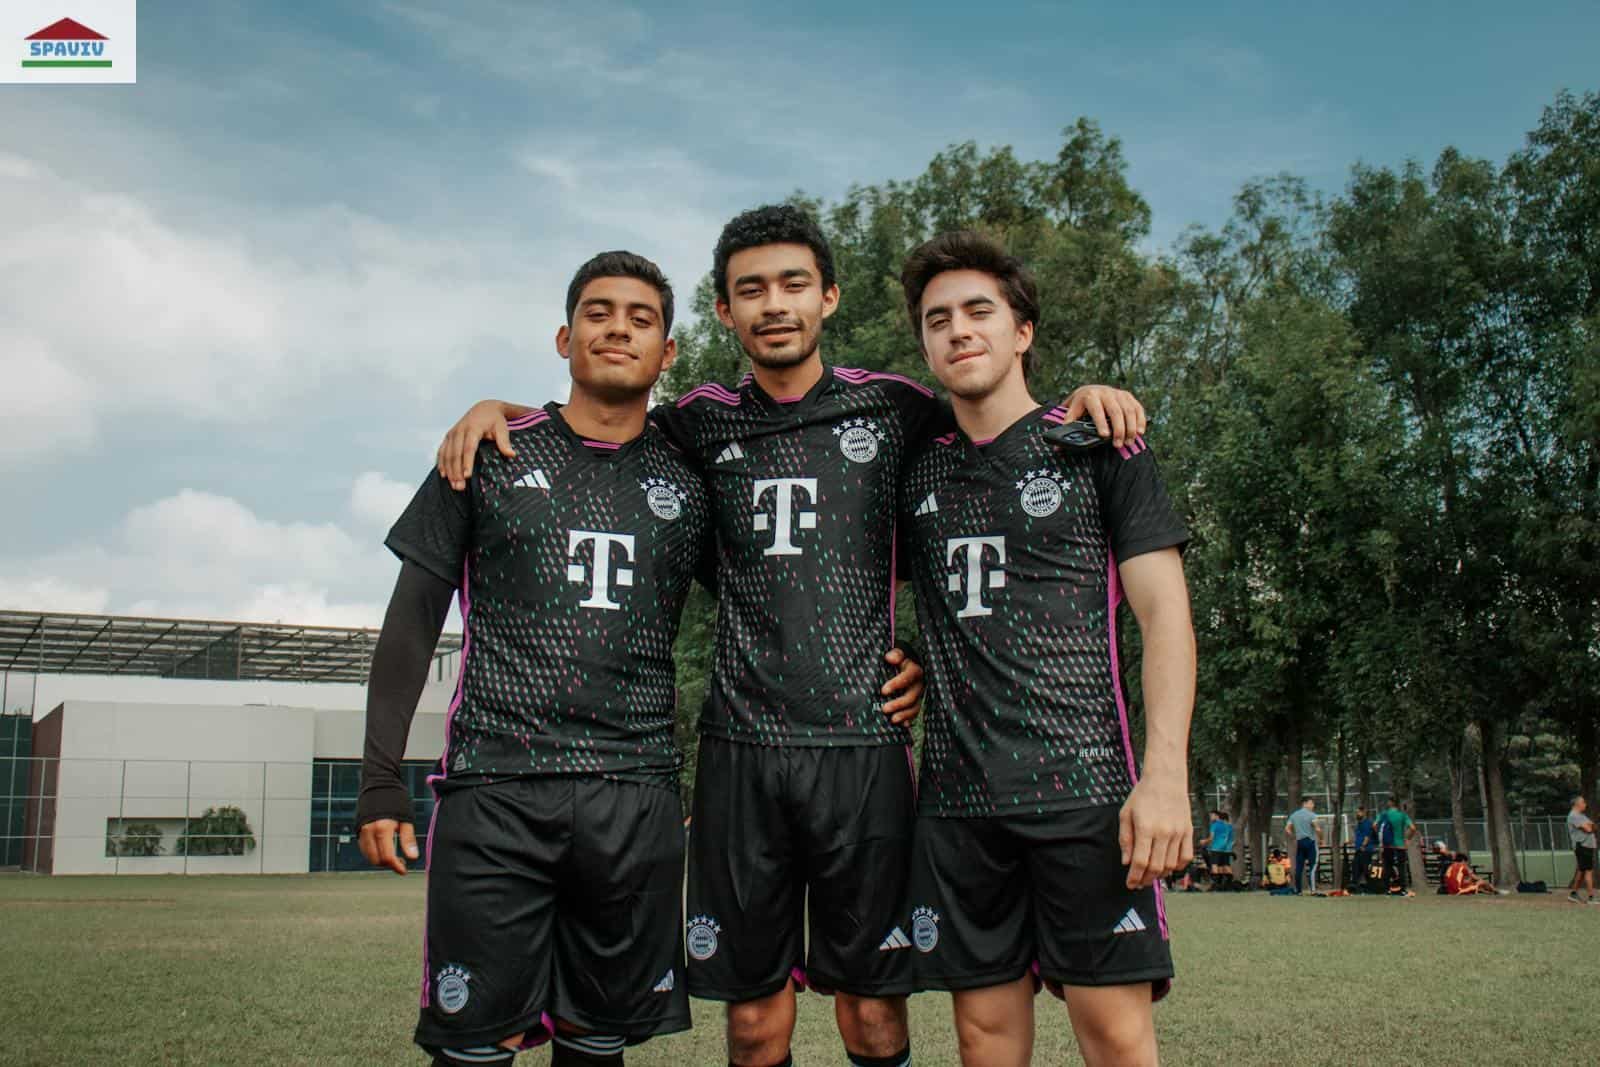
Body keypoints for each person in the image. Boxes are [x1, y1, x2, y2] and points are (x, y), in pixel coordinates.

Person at [434, 207, 1148, 1067]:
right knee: (752, 1023)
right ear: (727, 314)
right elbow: (599, 420)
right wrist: (495, 406)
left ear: (829, 297)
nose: (774, 304)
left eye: (793, 284)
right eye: (751, 290)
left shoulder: (895, 410)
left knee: (874, 1016)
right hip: (740, 753)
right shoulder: (693, 422)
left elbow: (995, 420)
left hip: (863, 752)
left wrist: (1083, 397)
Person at [357, 253, 712, 1065]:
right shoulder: (487, 451)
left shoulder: (693, 481)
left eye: (640, 316)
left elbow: (777, 592)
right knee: (477, 1044)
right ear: (563, 337)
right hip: (496, 790)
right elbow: (411, 618)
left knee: (596, 1043)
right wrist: (379, 775)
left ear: (668, 355)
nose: (616, 326)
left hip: (636, 792)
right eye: (596, 311)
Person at [896, 231, 1195, 1067]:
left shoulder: (1099, 442)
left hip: (1086, 793)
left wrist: (1165, 774)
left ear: (1023, 330)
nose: (959, 330)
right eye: (937, 319)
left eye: (979, 311)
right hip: (957, 804)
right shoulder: (911, 464)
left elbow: (1164, 615)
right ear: (924, 345)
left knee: (1115, 1037)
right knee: (984, 1039)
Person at [1379, 796, 1416, 893]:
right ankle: (1403, 889)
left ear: (1390, 803)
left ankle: (1387, 889)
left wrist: (1381, 839)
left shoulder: (1384, 814)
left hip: (1387, 846)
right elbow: (1413, 828)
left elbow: (1375, 825)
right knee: (1401, 868)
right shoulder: (1402, 815)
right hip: (1400, 846)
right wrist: (1407, 839)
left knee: (1387, 867)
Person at [1568, 795, 1597, 904]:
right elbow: (1588, 829)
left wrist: (1590, 826)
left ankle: (1573, 894)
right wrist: (1589, 826)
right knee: (1588, 871)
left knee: (1581, 870)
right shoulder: (1573, 816)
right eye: (1583, 802)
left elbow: (1594, 827)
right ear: (1577, 804)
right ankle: (1591, 897)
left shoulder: (1581, 816)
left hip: (1587, 846)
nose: (1585, 804)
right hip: (1582, 846)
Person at [1199, 809, 1235, 887]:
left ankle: (1216, 885)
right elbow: (1231, 839)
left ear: (1216, 816)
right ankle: (1228, 884)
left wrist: (1204, 841)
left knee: (1214, 865)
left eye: (1211, 816)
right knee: (1225, 866)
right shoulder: (1228, 826)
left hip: (1216, 849)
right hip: (1226, 850)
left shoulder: (1214, 825)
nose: (1211, 817)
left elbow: (1211, 838)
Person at [1351, 806, 1378, 892]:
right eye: (1357, 812)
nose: (1357, 814)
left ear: (1363, 813)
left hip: (1365, 850)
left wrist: (1363, 846)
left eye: (1358, 812)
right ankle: (1355, 886)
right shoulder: (1359, 824)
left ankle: (1371, 886)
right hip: (1359, 849)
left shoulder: (1367, 823)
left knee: (1365, 868)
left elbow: (1367, 836)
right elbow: (1358, 835)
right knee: (1356, 867)